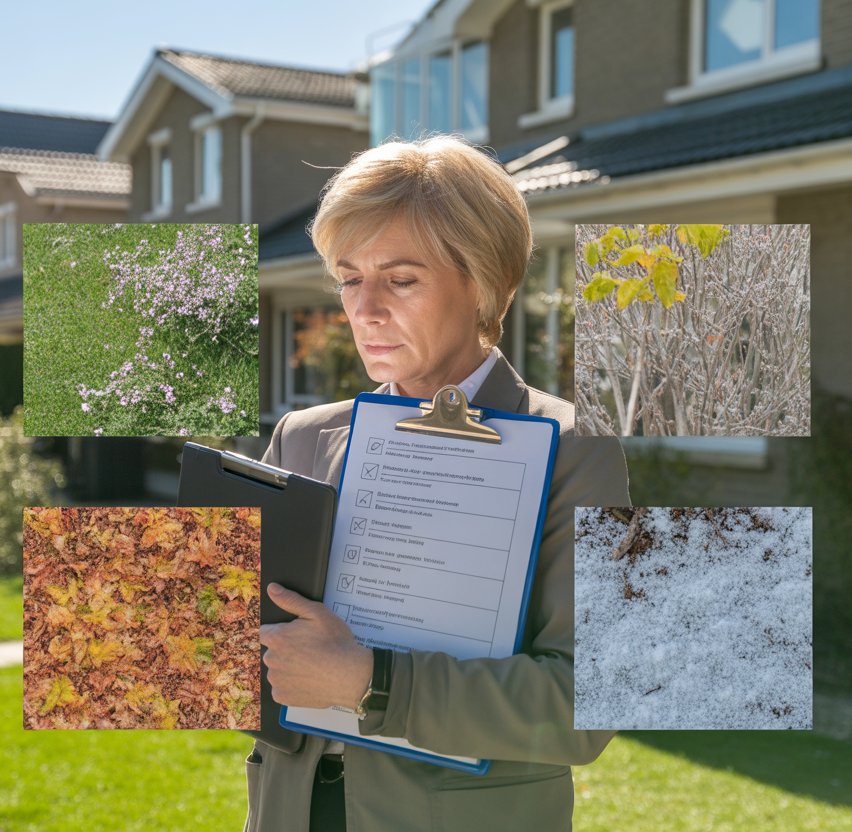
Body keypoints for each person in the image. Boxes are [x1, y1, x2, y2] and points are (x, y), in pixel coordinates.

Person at [249, 136, 630, 832]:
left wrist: (373, 682)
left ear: (482, 282)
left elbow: (589, 708)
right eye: (348, 276)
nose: (363, 309)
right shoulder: (300, 436)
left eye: (400, 279)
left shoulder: (582, 448)